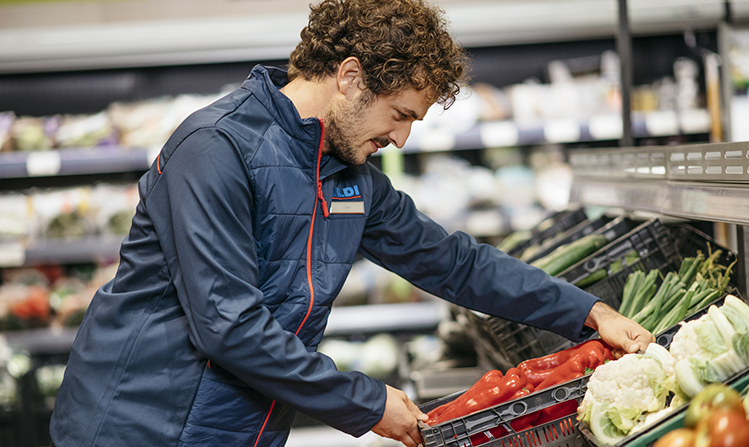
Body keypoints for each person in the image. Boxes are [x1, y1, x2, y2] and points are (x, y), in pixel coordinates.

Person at [49, 0, 654, 446]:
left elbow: (454, 263)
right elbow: (228, 326)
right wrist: (366, 405)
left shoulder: (350, 174)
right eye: (398, 114)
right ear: (350, 76)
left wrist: (588, 314)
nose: (400, 136)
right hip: (132, 426)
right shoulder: (216, 149)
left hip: (235, 431)